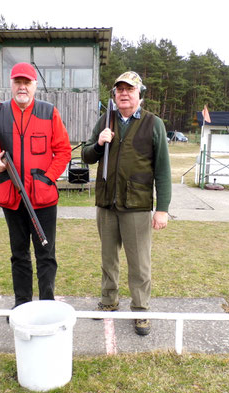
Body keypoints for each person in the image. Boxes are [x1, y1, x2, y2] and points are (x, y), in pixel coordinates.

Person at [0, 62, 71, 311]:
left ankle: (47, 305)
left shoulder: (49, 112)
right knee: (19, 254)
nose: (22, 87)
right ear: (11, 84)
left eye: (27, 82)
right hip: (12, 196)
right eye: (18, 82)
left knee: (46, 254)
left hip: (43, 198)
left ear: (35, 86)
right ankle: (22, 305)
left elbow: (63, 151)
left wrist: (47, 178)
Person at [81, 71, 171, 336]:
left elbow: (163, 171)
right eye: (119, 89)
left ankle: (141, 310)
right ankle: (109, 301)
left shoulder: (154, 124)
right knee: (108, 259)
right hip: (107, 202)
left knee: (139, 262)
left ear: (139, 94)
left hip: (137, 205)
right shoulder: (105, 121)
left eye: (129, 89)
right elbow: (86, 156)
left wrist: (162, 209)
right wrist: (98, 143)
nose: (124, 93)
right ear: (114, 95)